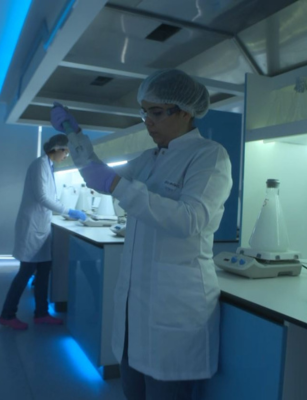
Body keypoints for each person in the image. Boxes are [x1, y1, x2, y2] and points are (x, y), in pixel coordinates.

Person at [51, 69, 233, 399]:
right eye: (144, 111)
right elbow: (99, 178)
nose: (148, 121)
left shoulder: (210, 156)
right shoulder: (148, 158)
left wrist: (119, 186)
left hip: (174, 314)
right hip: (135, 314)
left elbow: (189, 220)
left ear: (186, 111)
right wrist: (74, 135)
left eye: (157, 112)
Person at [0, 134, 87, 330]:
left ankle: (41, 313)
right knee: (26, 272)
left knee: (44, 271)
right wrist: (68, 211)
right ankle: (7, 314)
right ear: (57, 148)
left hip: (41, 227)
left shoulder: (48, 165)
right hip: (32, 227)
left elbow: (47, 197)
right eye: (66, 152)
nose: (66, 156)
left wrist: (65, 210)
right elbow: (41, 197)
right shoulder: (40, 165)